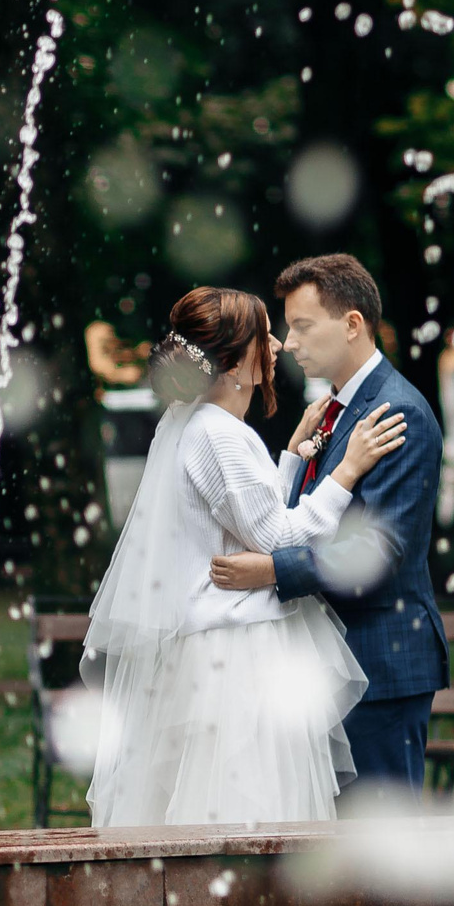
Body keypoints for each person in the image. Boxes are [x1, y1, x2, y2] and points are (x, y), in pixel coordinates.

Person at [81, 285, 409, 827]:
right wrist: (347, 471)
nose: (277, 346)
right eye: (265, 336)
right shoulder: (221, 436)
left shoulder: (194, 424)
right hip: (237, 658)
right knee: (248, 809)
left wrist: (289, 457)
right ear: (234, 363)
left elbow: (240, 520)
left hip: (214, 651)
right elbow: (279, 538)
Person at [208, 255, 449, 793]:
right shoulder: (336, 409)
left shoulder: (397, 413)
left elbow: (378, 551)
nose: (289, 343)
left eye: (302, 326)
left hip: (379, 662)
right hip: (333, 663)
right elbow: (301, 517)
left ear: (352, 324)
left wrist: (272, 571)